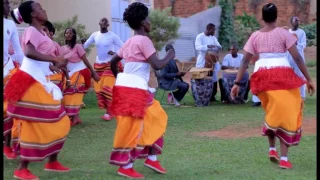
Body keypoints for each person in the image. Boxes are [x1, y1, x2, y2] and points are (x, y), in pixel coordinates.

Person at [231, 3, 315, 169]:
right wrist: (309, 79)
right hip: (281, 75)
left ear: (262, 17)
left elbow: (245, 60)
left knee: (273, 111)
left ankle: (271, 149)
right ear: (277, 17)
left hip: (262, 76)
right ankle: (284, 158)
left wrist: (236, 83)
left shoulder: (255, 36)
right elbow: (297, 58)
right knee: (289, 111)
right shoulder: (284, 34)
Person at [108, 2, 175, 178]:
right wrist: (170, 55)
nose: (149, 21)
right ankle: (127, 165)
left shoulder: (129, 41)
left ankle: (151, 158)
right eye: (147, 18)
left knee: (152, 118)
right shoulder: (144, 40)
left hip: (126, 88)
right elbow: (158, 65)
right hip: (136, 89)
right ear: (142, 22)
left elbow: (113, 62)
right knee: (145, 122)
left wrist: (121, 78)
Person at [7, 1, 71, 179]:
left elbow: (39, 60)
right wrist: (54, 59)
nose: (44, 10)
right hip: (30, 81)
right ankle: (22, 168)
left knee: (59, 120)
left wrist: (54, 66)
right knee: (35, 123)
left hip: (40, 79)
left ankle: (52, 161)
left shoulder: (41, 32)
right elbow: (28, 52)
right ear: (34, 15)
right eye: (40, 8)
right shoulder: (30, 31)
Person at [82, 17, 124, 121]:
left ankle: (109, 113)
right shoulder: (95, 35)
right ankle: (111, 109)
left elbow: (124, 47)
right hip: (98, 65)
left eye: (106, 21)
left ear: (108, 25)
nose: (104, 22)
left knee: (107, 87)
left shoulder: (113, 36)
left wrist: (115, 53)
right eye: (102, 21)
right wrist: (80, 43)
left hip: (110, 64)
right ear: (99, 23)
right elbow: (84, 46)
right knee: (99, 89)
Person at [61, 27, 100, 126]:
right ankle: (75, 117)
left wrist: (93, 72)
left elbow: (85, 60)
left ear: (74, 35)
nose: (68, 35)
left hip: (79, 72)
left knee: (73, 93)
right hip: (68, 73)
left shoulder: (78, 47)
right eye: (66, 33)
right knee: (67, 94)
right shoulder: (62, 48)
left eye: (70, 33)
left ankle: (74, 117)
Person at [3, 0, 24, 160]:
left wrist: (25, 69)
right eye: (5, 3)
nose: (8, 6)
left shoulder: (10, 24)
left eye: (8, 3)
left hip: (8, 70)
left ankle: (8, 145)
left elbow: (18, 49)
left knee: (12, 108)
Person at [195, 23, 222, 102]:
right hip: (203, 60)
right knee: (203, 77)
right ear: (209, 29)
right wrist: (207, 46)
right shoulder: (200, 36)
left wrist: (218, 47)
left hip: (212, 61)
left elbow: (219, 45)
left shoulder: (213, 38)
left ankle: (212, 96)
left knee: (214, 76)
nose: (214, 32)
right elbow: (197, 47)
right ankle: (203, 96)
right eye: (213, 30)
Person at [289, 16, 307, 100]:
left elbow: (303, 45)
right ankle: (291, 93)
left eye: (298, 20)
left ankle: (302, 95)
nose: (297, 22)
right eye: (295, 20)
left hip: (299, 57)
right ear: (291, 22)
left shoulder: (302, 32)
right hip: (289, 57)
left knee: (300, 75)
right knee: (290, 75)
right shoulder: (288, 32)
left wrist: (296, 43)